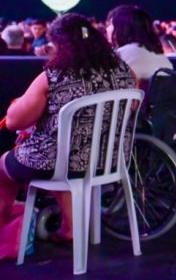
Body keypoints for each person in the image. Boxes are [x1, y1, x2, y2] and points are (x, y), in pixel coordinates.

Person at [1, 13, 137, 243]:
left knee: (4, 167)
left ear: (60, 45)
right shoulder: (125, 71)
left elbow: (14, 122)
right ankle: (70, 229)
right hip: (109, 160)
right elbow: (132, 106)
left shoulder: (55, 76)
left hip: (61, 162)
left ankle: (3, 229)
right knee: (63, 158)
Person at [106, 5, 173, 82]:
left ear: (123, 28)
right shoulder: (157, 54)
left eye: (110, 24)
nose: (107, 29)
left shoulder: (123, 54)